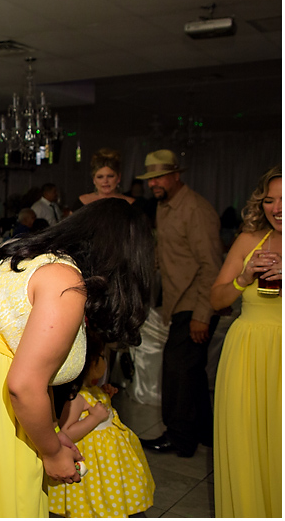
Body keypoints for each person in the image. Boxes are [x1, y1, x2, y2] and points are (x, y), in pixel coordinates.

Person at [0, 198, 154, 517]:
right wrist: (52, 451)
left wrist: (52, 434)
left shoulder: (35, 257)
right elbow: (24, 385)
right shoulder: (64, 282)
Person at [136, 149, 223, 458]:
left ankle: (179, 438)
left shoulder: (195, 209)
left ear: (176, 175)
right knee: (192, 372)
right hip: (177, 303)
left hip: (195, 303)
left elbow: (211, 265)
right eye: (149, 179)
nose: (153, 184)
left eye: (158, 177)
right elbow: (167, 253)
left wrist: (203, 315)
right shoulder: (165, 207)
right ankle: (206, 433)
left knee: (176, 372)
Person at [209, 165, 281, 517]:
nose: (277, 208)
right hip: (247, 351)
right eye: (270, 200)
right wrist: (243, 278)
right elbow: (217, 299)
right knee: (247, 443)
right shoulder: (249, 241)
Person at [48, 332, 155, 517]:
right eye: (101, 357)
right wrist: (94, 419)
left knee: (111, 490)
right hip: (94, 460)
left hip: (107, 461)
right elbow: (67, 432)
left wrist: (104, 396)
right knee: (94, 494)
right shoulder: (76, 399)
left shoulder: (91, 391)